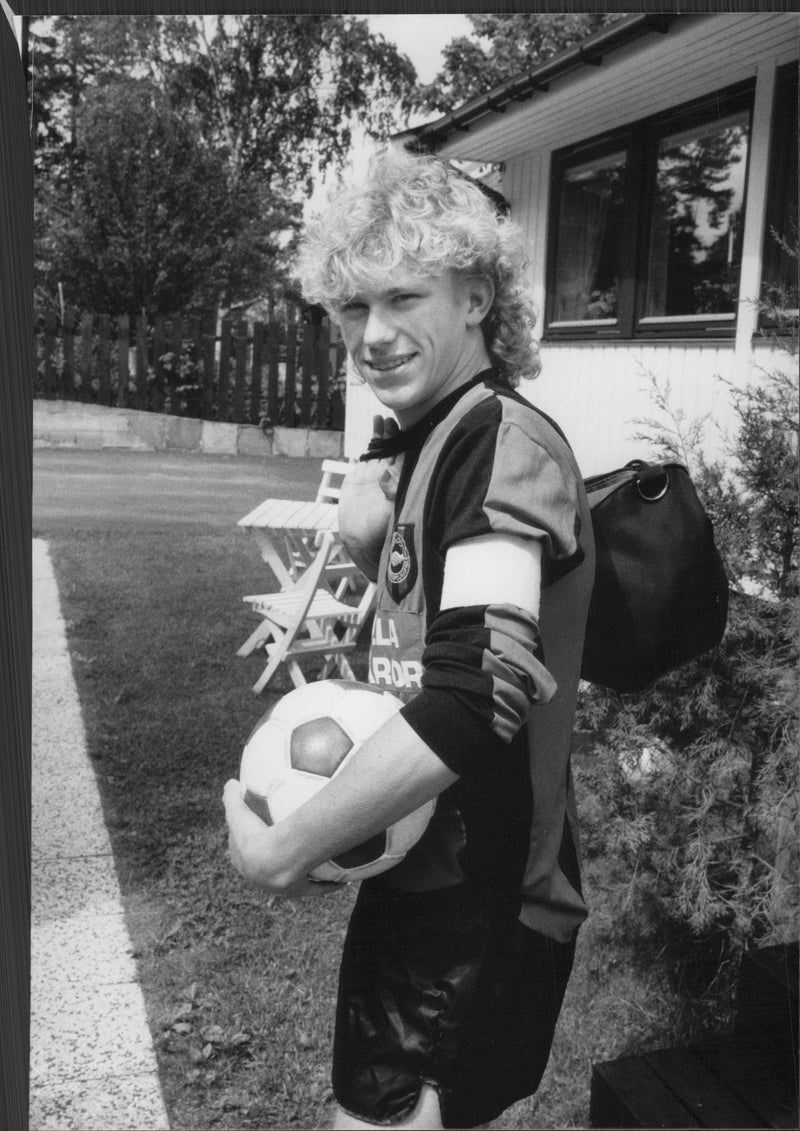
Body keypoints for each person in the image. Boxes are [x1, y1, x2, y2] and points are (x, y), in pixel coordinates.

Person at [223, 148, 595, 1130]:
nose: (371, 335)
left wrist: (291, 844)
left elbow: (480, 689)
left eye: (402, 299)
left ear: (475, 297)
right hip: (428, 875)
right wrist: (371, 525)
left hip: (477, 906)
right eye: (351, 308)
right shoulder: (430, 438)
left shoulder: (496, 444)